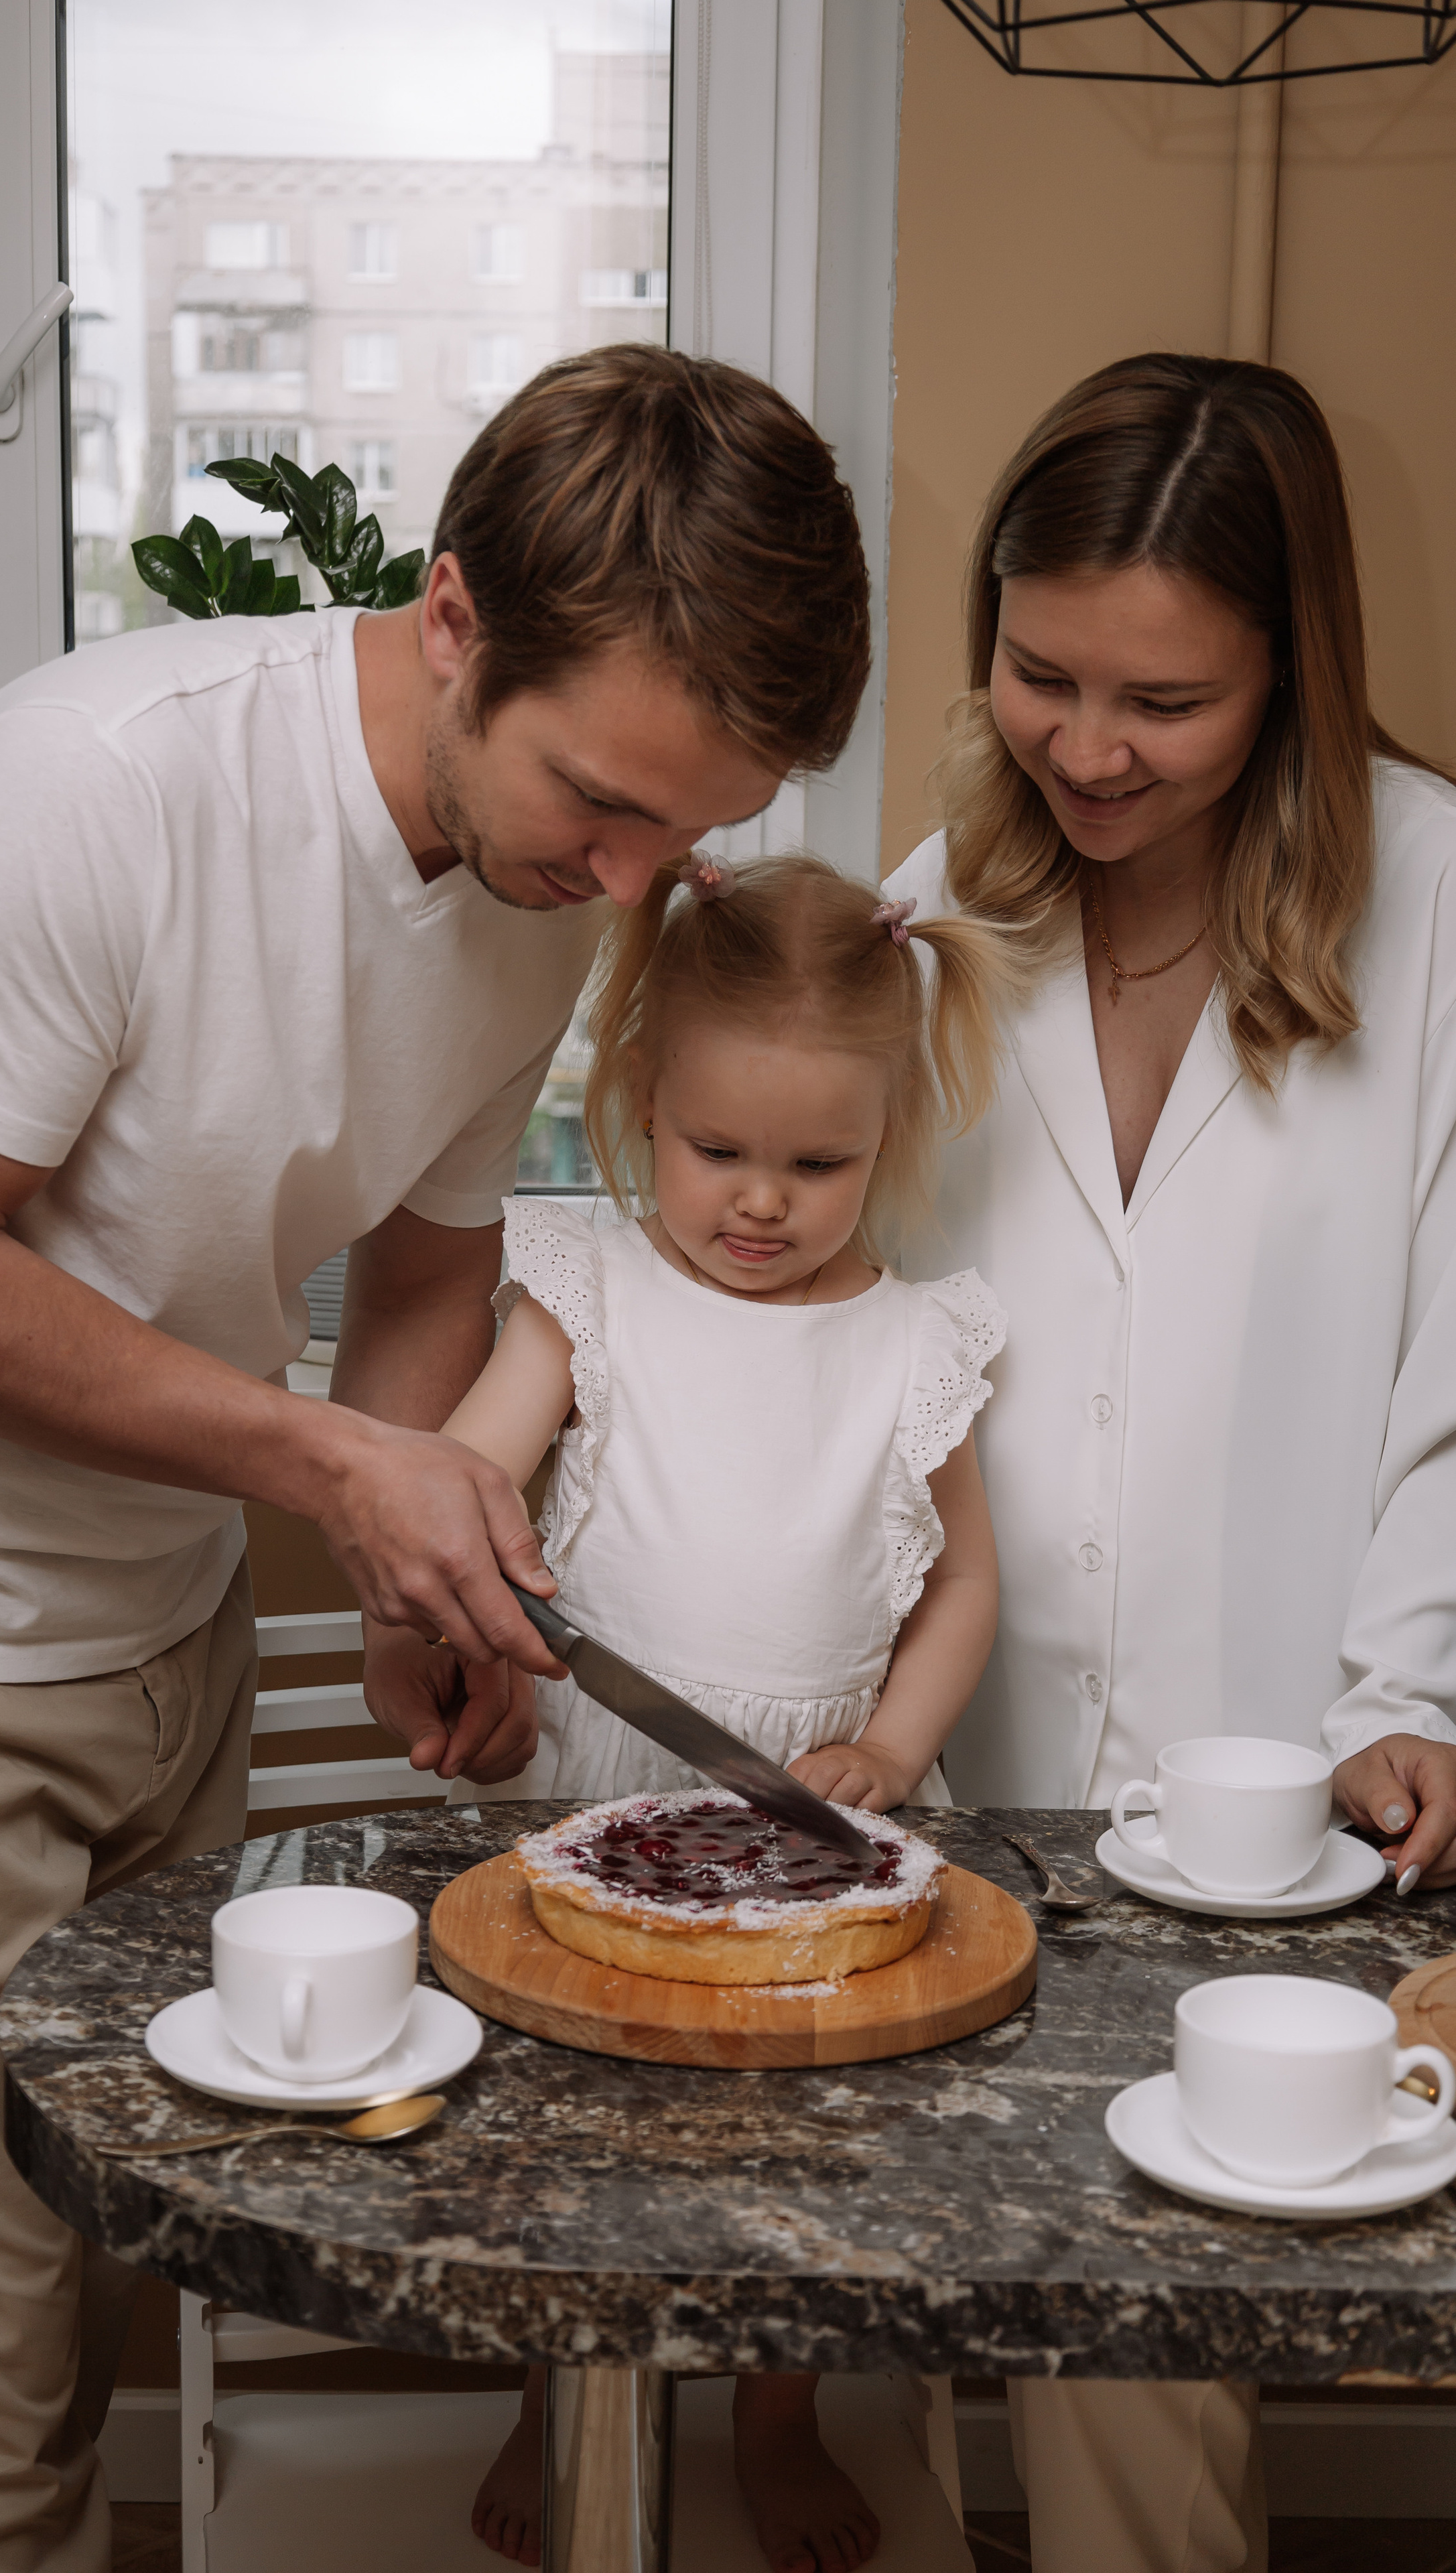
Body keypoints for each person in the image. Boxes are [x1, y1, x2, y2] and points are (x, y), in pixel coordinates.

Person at [0, 344, 872, 2573]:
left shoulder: (543, 886)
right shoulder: (97, 787)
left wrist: (404, 1567)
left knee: (86, 2311)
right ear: (453, 616)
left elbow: (428, 1268)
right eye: (602, 805)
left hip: (163, 1648)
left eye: (686, 830)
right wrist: (337, 1474)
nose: (633, 879)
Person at [884, 351, 1456, 2573]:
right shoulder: (937, 909)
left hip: (1278, 1794)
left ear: (1290, 670)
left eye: (1167, 703)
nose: (1090, 750)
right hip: (956, 1775)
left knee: (1141, 2378)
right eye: (1042, 676)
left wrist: (1418, 1690)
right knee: (896, 2329)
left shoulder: (1440, 902)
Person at [440, 852, 1013, 2573]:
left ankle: (777, 2415)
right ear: (638, 1099)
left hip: (816, 1819)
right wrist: (474, 1579)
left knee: (809, 2152)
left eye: (817, 1165)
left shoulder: (913, 1343)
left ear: (886, 1138)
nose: (760, 1202)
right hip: (590, 1789)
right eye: (716, 1152)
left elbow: (961, 1589)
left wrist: (892, 1748)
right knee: (565, 2129)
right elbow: (466, 1473)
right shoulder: (586, 1291)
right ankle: (559, 2399)